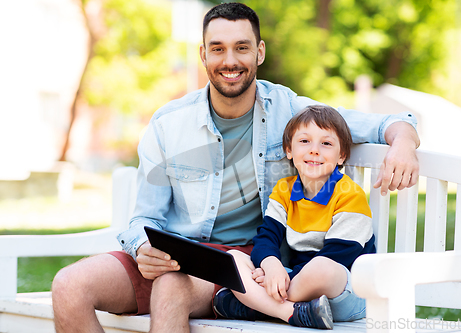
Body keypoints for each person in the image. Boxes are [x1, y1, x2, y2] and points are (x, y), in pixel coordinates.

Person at [51, 3, 419, 333]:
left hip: (244, 262)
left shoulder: (290, 112)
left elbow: (381, 123)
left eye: (242, 47)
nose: (230, 60)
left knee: (170, 288)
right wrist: (143, 247)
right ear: (203, 55)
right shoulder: (168, 124)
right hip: (178, 254)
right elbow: (144, 219)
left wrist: (403, 141)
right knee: (69, 287)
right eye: (218, 49)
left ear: (259, 52)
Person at [215, 105, 373, 329]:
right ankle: (289, 312)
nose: (314, 150)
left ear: (342, 155)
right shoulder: (284, 190)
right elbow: (266, 238)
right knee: (233, 258)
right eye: (304, 141)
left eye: (326, 143)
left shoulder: (350, 195)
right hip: (297, 286)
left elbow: (340, 256)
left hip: (348, 292)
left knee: (321, 268)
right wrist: (272, 267)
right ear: (289, 150)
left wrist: (282, 280)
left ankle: (256, 306)